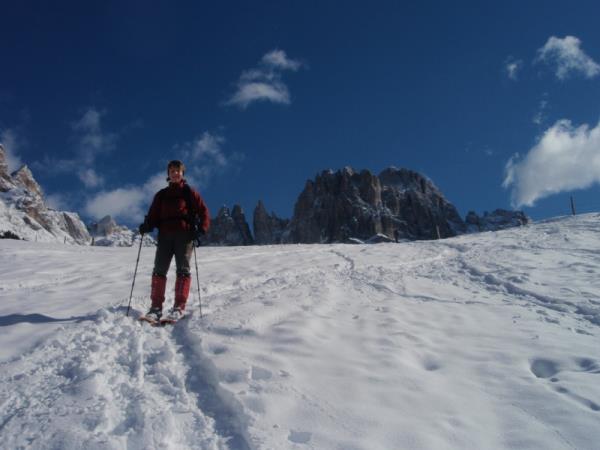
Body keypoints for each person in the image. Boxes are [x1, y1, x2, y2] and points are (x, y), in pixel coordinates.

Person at [138, 160, 210, 322]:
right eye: (172, 171)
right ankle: (155, 308)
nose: (175, 173)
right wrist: (147, 225)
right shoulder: (161, 195)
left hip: (184, 235)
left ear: (182, 173)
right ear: (168, 174)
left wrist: (202, 229)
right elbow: (153, 215)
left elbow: (204, 211)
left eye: (178, 171)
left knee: (183, 270)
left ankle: (179, 307)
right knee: (159, 270)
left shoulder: (189, 193)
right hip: (164, 235)